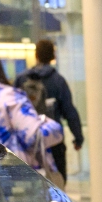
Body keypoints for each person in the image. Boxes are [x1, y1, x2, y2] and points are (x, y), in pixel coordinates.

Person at [14, 38, 83, 181]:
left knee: (29, 186)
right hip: (53, 141)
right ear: (53, 56)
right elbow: (69, 111)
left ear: (36, 55)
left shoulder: (21, 80)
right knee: (57, 186)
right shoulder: (58, 81)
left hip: (27, 142)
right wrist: (78, 138)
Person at [14, 78, 65, 185]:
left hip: (20, 162)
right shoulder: (57, 80)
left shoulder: (18, 84)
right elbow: (68, 109)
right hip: (48, 142)